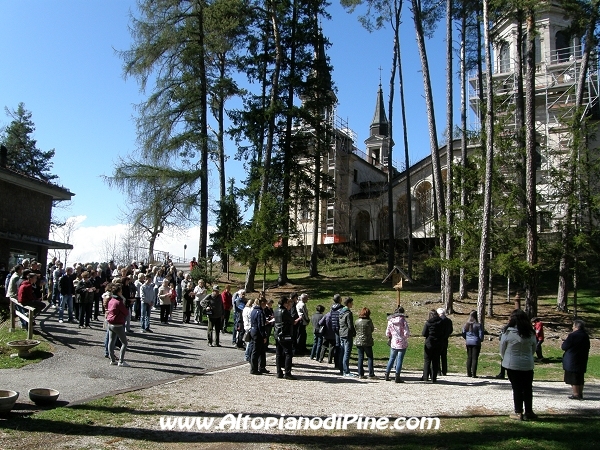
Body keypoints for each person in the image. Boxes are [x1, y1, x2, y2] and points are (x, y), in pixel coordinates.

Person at [500, 309, 537, 421]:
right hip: (527, 364)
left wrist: (505, 358)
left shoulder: (507, 333)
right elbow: (533, 348)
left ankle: (518, 412)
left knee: (517, 388)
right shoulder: (530, 333)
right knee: (527, 388)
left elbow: (502, 349)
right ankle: (529, 411)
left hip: (512, 364)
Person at [561, 319, 590, 400]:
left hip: (572, 359)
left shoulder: (573, 335)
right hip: (582, 358)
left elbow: (564, 347)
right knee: (580, 377)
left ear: (576, 327)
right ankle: (580, 393)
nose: (572, 327)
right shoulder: (585, 335)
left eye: (573, 326)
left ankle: (576, 394)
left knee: (573, 377)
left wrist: (564, 342)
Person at [106, 283, 130, 367]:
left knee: (111, 341)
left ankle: (112, 359)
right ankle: (121, 361)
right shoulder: (119, 302)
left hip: (110, 323)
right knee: (124, 342)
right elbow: (126, 312)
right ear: (119, 292)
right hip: (118, 324)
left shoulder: (111, 300)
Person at [385, 306, 410, 382]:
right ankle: (397, 376)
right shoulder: (403, 321)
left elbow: (387, 333)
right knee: (399, 359)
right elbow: (406, 333)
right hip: (402, 342)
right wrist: (404, 336)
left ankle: (387, 374)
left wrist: (391, 336)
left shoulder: (390, 321)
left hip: (394, 342)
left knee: (391, 358)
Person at [274, 295, 296, 379]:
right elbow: (292, 321)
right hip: (285, 334)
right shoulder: (285, 311)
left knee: (278, 354)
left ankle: (279, 372)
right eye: (287, 302)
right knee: (288, 353)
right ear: (284, 303)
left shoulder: (276, 310)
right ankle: (287, 372)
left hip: (277, 333)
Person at [421, 309, 443, 383]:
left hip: (429, 343)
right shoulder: (441, 322)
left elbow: (424, 333)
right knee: (435, 361)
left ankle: (425, 377)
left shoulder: (428, 323)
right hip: (438, 343)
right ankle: (434, 378)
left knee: (427, 360)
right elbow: (444, 331)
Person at [355, 307, 375, 379]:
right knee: (370, 357)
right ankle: (371, 373)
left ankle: (360, 373)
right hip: (367, 341)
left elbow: (355, 329)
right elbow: (372, 329)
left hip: (358, 341)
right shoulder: (369, 321)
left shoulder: (357, 321)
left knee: (360, 357)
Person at [462, 310, 484, 378]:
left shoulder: (466, 324)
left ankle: (469, 373)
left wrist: (467, 338)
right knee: (475, 358)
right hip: (476, 342)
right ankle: (474, 373)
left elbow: (463, 333)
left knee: (469, 357)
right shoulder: (478, 324)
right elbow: (481, 335)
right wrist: (480, 340)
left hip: (468, 342)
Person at [250, 297, 268, 375]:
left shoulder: (253, 310)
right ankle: (254, 369)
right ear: (262, 303)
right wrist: (264, 336)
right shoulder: (260, 312)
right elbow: (260, 325)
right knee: (256, 351)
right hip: (258, 332)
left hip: (253, 331)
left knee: (261, 351)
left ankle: (261, 367)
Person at [338, 297, 356, 377]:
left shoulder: (341, 312)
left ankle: (341, 369)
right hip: (347, 334)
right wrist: (354, 332)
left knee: (342, 352)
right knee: (347, 352)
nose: (352, 304)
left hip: (341, 333)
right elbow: (350, 325)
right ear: (348, 303)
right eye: (351, 303)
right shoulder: (348, 313)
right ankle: (346, 371)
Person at [437, 307, 453, 376]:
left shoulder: (438, 320)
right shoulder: (449, 321)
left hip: (438, 339)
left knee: (437, 355)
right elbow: (451, 330)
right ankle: (444, 370)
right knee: (444, 355)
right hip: (445, 339)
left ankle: (438, 370)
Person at [330, 294, 344, 370]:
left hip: (334, 327)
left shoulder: (332, 308)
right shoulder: (341, 308)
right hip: (340, 328)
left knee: (336, 345)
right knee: (340, 346)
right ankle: (340, 362)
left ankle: (336, 363)